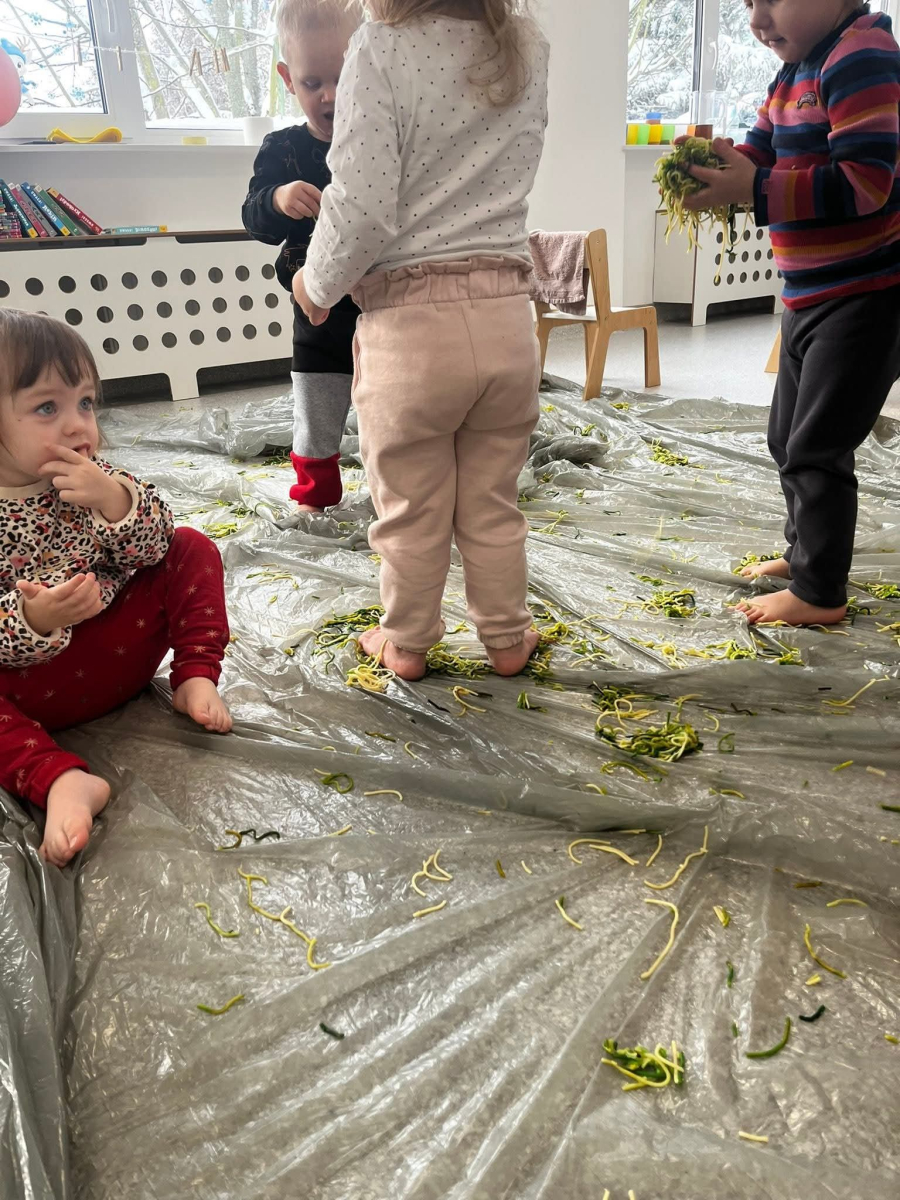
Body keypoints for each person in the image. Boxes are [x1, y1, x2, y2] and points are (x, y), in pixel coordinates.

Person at [293, 0, 549, 680]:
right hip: (506, 318)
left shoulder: (380, 46)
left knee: (410, 505)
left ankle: (405, 642)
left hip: (411, 329)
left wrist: (316, 283)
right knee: (493, 500)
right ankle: (507, 637)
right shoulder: (524, 43)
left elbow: (361, 204)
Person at [684, 0, 900, 626]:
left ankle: (819, 592)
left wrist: (752, 188)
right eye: (747, 3)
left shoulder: (860, 56)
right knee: (786, 436)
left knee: (817, 446)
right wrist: (719, 169)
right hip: (807, 292)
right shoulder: (792, 71)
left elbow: (866, 184)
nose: (756, 19)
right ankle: (805, 552)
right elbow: (761, 151)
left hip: (866, 293)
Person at [0, 309, 232, 868]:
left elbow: (157, 546)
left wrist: (115, 500)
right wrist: (35, 619)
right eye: (47, 408)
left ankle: (195, 677)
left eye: (85, 403)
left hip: (119, 652)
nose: (78, 426)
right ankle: (60, 780)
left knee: (191, 546)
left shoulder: (97, 477)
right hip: (29, 691)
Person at [242, 0, 364, 513]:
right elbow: (254, 220)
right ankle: (315, 499)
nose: (330, 95)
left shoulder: (377, 140)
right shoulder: (282, 148)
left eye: (343, 77)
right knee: (315, 414)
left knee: (391, 413)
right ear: (288, 80)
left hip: (381, 310)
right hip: (316, 318)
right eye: (313, 83)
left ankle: (397, 490)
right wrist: (276, 197)